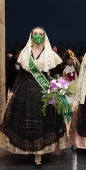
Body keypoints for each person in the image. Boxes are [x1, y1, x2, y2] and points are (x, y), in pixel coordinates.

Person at [0, 27, 65, 167]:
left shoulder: (49, 54)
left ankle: (38, 154)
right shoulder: (25, 53)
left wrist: (57, 87)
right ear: (31, 36)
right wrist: (13, 90)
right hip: (25, 90)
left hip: (43, 90)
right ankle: (29, 148)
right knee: (26, 121)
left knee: (42, 121)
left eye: (40, 34)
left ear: (44, 36)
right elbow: (20, 74)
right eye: (35, 34)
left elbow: (53, 74)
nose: (37, 36)